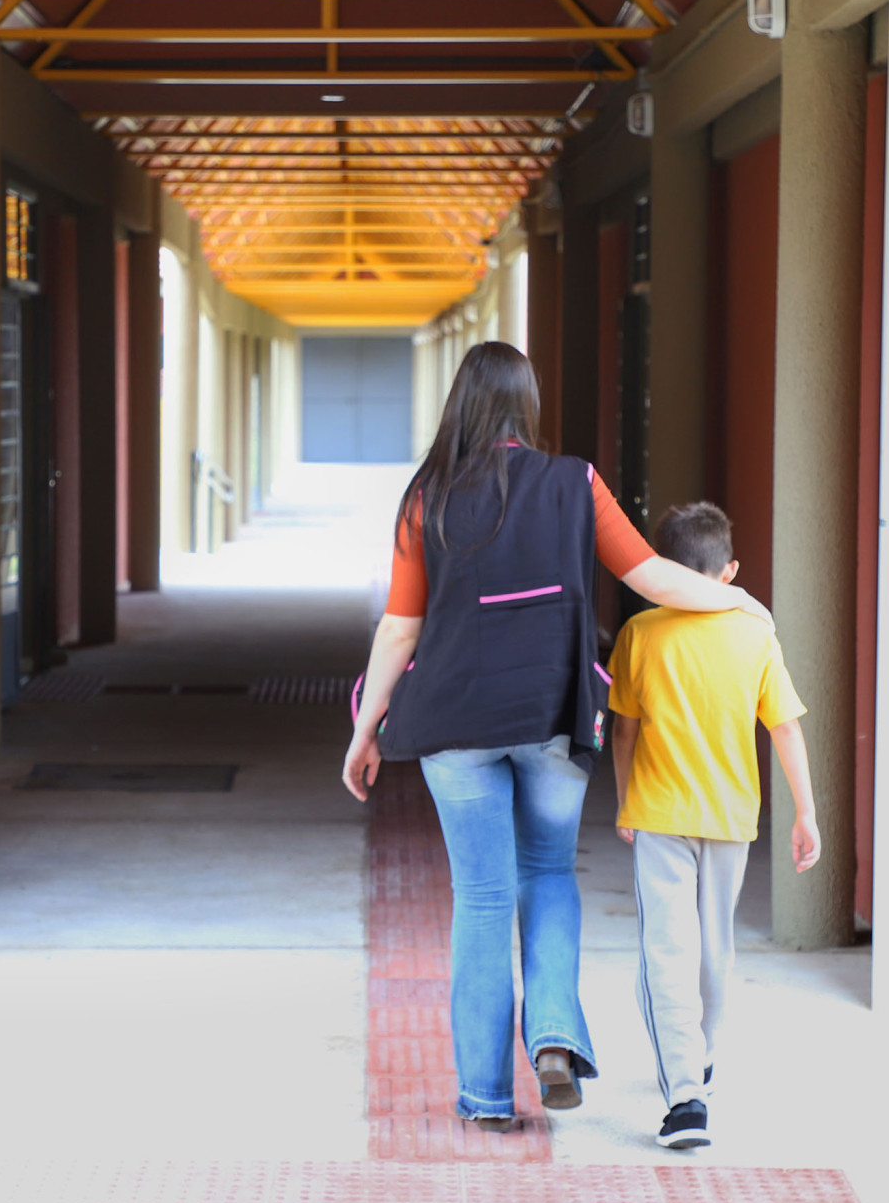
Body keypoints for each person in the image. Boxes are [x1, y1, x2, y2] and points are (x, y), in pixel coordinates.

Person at [339, 343, 773, 1134]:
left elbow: (399, 629)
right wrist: (741, 603)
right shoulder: (573, 482)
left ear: (460, 403)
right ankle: (552, 1037)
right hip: (550, 715)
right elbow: (649, 576)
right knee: (547, 873)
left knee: (479, 896)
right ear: (526, 406)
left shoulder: (425, 495)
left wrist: (365, 730)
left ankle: (484, 1095)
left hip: (453, 722)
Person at [605, 500, 821, 1151]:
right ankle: (698, 1059)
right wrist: (805, 810)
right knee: (712, 946)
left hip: (658, 814)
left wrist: (622, 800)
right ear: (726, 570)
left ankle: (683, 1096)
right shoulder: (754, 635)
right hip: (730, 817)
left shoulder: (640, 634)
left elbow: (623, 728)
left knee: (664, 951)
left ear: (662, 568)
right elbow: (783, 725)